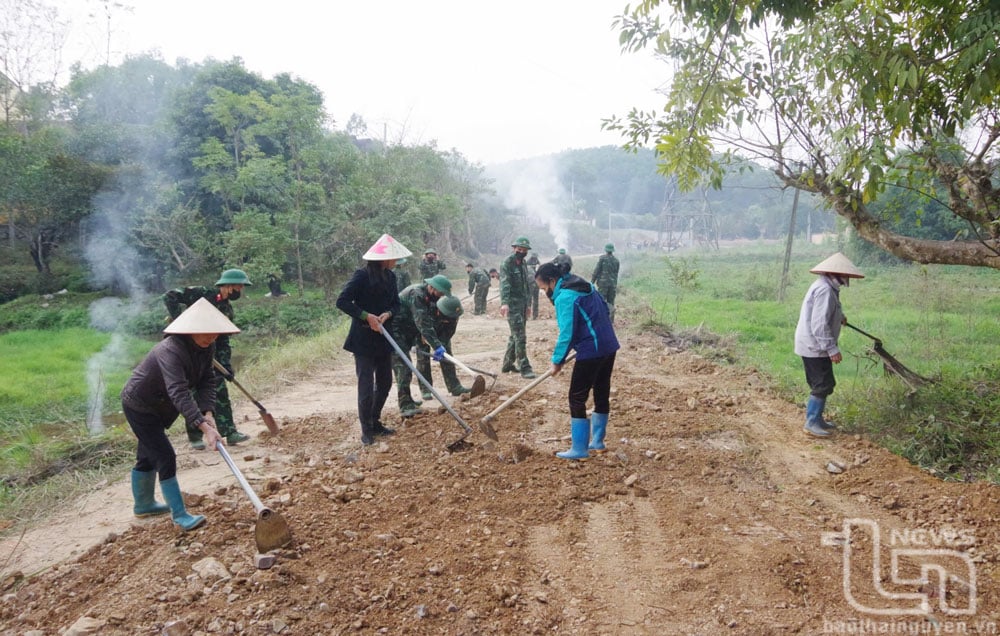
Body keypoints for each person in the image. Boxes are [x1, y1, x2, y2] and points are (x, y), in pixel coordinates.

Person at [121, 297, 237, 531]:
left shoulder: (206, 347)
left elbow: (206, 381)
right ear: (190, 330)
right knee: (165, 455)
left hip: (161, 406)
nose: (211, 337)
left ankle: (143, 505)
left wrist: (208, 413)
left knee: (148, 453)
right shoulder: (170, 350)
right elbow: (179, 392)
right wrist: (204, 428)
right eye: (206, 333)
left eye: (215, 333)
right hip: (140, 405)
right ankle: (180, 514)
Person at [535, 261, 620, 460]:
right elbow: (605, 310)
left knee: (576, 397)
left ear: (552, 281)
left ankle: (579, 449)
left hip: (592, 350)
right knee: (601, 391)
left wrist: (557, 360)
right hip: (608, 345)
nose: (544, 292)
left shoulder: (565, 297)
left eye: (543, 288)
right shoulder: (586, 285)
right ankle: (597, 442)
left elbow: (567, 333)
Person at [163, 269, 253, 448]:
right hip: (188, 350)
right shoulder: (202, 294)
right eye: (239, 286)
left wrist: (226, 366)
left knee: (219, 392)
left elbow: (224, 339)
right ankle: (195, 437)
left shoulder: (226, 308)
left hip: (210, 353)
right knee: (194, 393)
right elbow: (170, 296)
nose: (240, 290)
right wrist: (179, 320)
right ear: (228, 286)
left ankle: (230, 432)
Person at [336, 234, 411, 445]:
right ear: (383, 258)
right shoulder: (361, 276)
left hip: (384, 337)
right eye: (393, 258)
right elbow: (342, 301)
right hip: (363, 338)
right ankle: (366, 429)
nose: (396, 262)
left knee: (386, 381)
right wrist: (365, 316)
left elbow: (397, 304)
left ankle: (375, 420)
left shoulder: (391, 277)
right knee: (366, 385)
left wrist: (388, 313)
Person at [794, 252, 865, 437]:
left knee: (825, 382)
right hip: (814, 346)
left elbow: (823, 312)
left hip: (813, 345)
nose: (846, 279)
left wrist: (839, 316)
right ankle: (811, 422)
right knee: (822, 384)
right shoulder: (825, 290)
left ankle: (817, 419)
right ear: (836, 274)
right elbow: (819, 325)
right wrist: (832, 348)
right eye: (845, 276)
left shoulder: (826, 286)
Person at [391, 275, 466, 417]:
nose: (442, 296)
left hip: (408, 331)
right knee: (404, 367)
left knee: (405, 366)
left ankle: (408, 400)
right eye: (441, 293)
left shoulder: (430, 297)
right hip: (396, 330)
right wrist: (437, 345)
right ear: (432, 288)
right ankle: (405, 406)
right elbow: (423, 323)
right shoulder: (417, 294)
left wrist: (438, 344)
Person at [500, 237, 536, 378]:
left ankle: (507, 364)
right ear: (514, 248)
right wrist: (505, 303)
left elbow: (526, 286)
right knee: (520, 336)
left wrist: (528, 305)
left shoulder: (523, 263)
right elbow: (505, 284)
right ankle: (524, 367)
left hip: (522, 304)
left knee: (514, 335)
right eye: (519, 249)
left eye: (524, 250)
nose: (521, 252)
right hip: (512, 305)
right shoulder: (507, 263)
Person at [591, 243, 621, 322]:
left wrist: (592, 281)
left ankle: (602, 319)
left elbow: (597, 270)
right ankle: (610, 320)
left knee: (601, 301)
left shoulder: (602, 259)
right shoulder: (616, 261)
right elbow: (616, 273)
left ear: (606, 250)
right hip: (613, 284)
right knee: (611, 301)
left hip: (603, 284)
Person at [526, 251, 541, 320]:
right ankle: (533, 316)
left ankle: (532, 316)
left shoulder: (536, 261)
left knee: (530, 299)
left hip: (533, 283)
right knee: (533, 299)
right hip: (535, 282)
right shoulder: (528, 262)